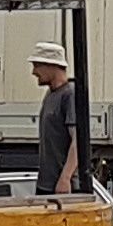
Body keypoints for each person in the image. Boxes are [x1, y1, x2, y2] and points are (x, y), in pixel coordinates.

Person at [29, 42, 78, 195]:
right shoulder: (50, 95)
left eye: (37, 66)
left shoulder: (69, 95)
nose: (34, 72)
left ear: (51, 65)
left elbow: (78, 141)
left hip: (61, 187)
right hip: (46, 184)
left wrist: (65, 178)